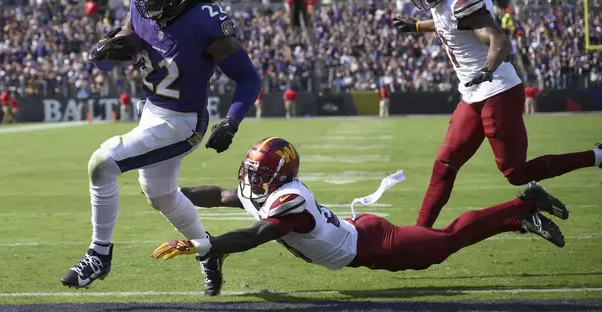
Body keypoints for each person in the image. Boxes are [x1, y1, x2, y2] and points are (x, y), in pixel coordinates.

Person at [60, 0, 262, 296]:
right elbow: (131, 41)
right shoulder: (142, 6)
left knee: (102, 163)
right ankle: (207, 250)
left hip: (183, 122)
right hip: (152, 112)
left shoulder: (204, 21)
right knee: (162, 195)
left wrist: (232, 120)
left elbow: (248, 78)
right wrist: (107, 48)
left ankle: (99, 254)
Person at [393, 0, 602, 228]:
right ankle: (419, 232)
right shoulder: (448, 0)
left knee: (515, 172)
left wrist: (487, 69)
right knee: (444, 164)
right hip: (472, 94)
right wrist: (417, 26)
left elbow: (498, 40)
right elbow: (448, 24)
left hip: (496, 90)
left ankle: (597, 157)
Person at [150, 137, 567, 277]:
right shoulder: (268, 190)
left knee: (443, 244)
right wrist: (169, 192)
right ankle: (519, 213)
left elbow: (255, 235)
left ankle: (521, 206)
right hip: (355, 236)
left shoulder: (288, 201)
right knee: (438, 246)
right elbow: (220, 195)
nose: (251, 180)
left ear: (279, 175)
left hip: (370, 242)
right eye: (251, 171)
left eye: (260, 173)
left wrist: (206, 246)